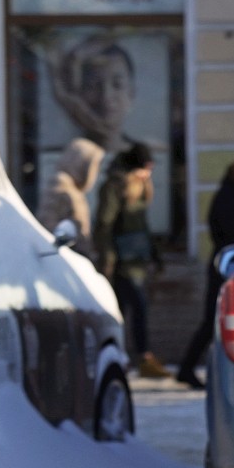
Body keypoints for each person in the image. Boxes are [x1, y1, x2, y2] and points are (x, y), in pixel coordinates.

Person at [176, 158, 234, 388]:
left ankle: (190, 367)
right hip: (228, 266)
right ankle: (188, 367)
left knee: (215, 320)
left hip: (226, 264)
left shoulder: (228, 194)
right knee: (215, 320)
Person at [95, 142, 168, 378]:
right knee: (131, 307)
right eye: (146, 168)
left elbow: (142, 225)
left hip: (136, 259)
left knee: (128, 308)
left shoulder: (141, 187)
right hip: (120, 261)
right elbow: (104, 226)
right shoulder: (116, 186)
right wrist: (107, 259)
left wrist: (154, 253)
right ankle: (135, 356)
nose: (148, 173)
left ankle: (127, 356)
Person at [51, 35, 137, 158]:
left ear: (132, 93)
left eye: (117, 85)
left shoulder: (143, 153)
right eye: (92, 86)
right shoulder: (64, 157)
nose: (106, 96)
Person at [34, 137, 104, 260]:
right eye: (93, 166)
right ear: (82, 164)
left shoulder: (74, 189)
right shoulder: (60, 186)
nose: (95, 172)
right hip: (64, 259)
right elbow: (47, 224)